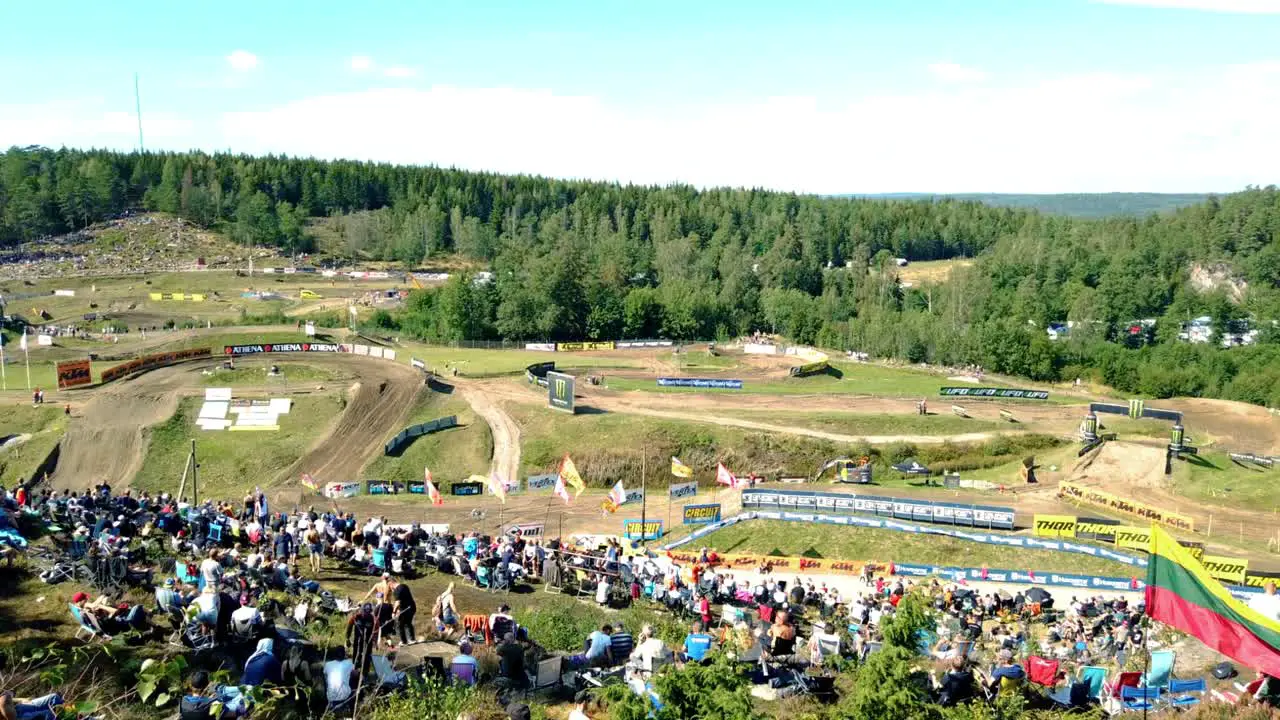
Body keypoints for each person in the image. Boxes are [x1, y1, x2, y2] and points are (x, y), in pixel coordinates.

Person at [323, 649, 357, 715]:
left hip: (330, 696)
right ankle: (351, 709)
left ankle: (331, 707)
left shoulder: (328, 664)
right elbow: (355, 674)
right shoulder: (349, 663)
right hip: (344, 696)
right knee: (354, 680)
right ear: (344, 655)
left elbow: (325, 675)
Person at [347, 604, 377, 675]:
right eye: (364, 612)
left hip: (368, 643)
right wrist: (347, 638)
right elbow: (349, 626)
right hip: (357, 642)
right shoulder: (356, 617)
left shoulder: (373, 619)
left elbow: (376, 630)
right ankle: (355, 675)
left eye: (368, 612)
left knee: (367, 660)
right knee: (356, 658)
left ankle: (365, 675)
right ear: (362, 610)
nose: (366, 613)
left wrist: (375, 642)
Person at [392, 576, 417, 645]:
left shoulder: (397, 590)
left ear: (391, 583)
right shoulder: (404, 586)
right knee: (408, 623)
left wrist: (394, 612)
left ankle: (404, 641)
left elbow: (398, 602)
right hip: (412, 607)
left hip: (405, 609)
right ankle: (412, 639)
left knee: (399, 625)